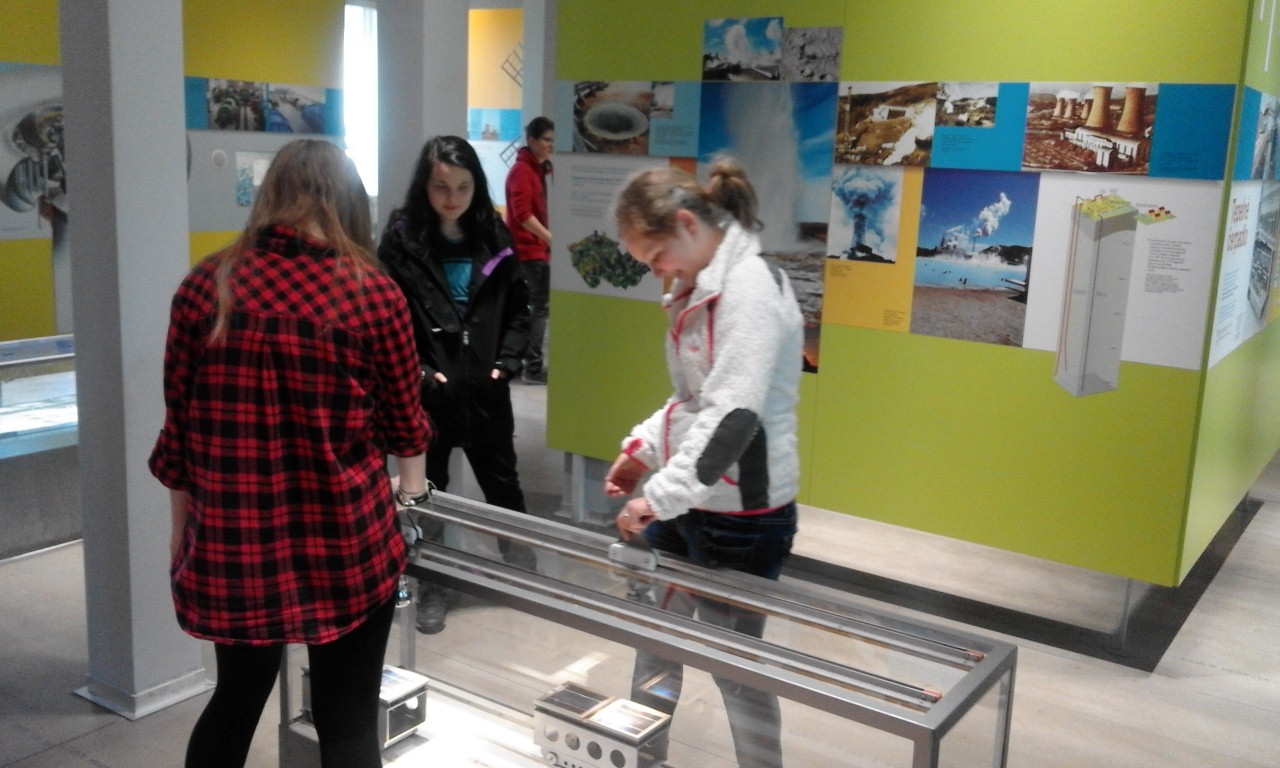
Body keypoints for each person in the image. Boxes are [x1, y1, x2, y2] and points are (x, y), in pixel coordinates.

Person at [148, 139, 432, 768]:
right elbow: (405, 426)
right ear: (349, 201)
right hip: (347, 540)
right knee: (347, 719)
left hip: (236, 543)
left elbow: (180, 435)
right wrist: (411, 496)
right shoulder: (372, 294)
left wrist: (180, 532)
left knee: (235, 699)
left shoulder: (206, 285)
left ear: (271, 194)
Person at [604, 158, 803, 768]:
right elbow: (694, 400)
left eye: (655, 255)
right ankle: (644, 759)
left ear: (687, 225)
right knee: (656, 643)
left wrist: (659, 496)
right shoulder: (702, 285)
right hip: (694, 502)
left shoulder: (750, 288)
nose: (656, 270)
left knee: (735, 670)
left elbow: (733, 417)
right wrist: (642, 450)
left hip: (742, 517)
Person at [379, 135, 533, 634]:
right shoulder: (402, 241)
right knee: (429, 495)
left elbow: (519, 309)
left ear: (477, 186)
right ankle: (435, 588)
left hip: (486, 389)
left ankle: (525, 576)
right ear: (424, 186)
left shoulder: (494, 234)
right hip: (430, 394)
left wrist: (507, 361)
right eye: (442, 187)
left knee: (504, 488)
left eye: (463, 187)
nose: (452, 198)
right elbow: (388, 318)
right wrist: (420, 372)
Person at [504, 116, 554, 384]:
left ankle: (524, 363)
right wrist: (549, 238)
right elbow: (522, 213)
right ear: (533, 141)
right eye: (547, 140)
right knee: (539, 309)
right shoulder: (523, 171)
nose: (551, 145)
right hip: (528, 251)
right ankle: (532, 367)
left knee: (533, 308)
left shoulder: (538, 170)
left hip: (534, 250)